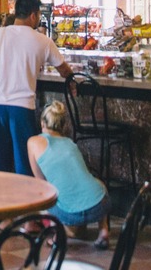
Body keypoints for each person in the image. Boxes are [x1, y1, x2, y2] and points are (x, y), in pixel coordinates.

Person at [0, 0, 73, 174]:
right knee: (24, 166)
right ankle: (25, 201)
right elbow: (64, 70)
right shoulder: (42, 41)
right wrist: (73, 84)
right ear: (33, 15)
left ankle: (0, 201)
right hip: (22, 109)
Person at [28, 101, 110, 250]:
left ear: (42, 122)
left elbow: (40, 182)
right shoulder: (71, 144)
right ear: (63, 125)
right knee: (98, 184)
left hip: (68, 214)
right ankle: (103, 231)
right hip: (100, 206)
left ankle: (57, 235)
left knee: (43, 192)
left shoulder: (33, 142)